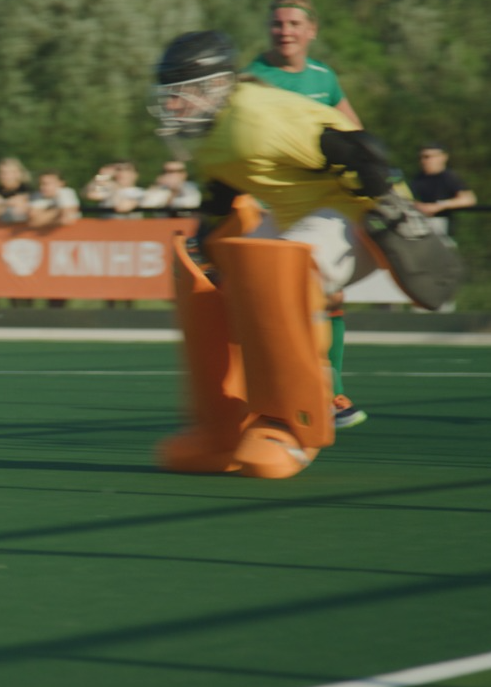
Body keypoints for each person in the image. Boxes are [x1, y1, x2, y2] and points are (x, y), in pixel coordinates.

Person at [150, 30, 449, 432]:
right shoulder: (214, 133)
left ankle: (305, 414)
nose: (170, 104)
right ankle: (228, 421)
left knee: (279, 280)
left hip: (356, 208)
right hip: (304, 212)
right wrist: (205, 247)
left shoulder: (256, 118)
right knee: (232, 286)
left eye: (180, 92)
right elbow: (224, 193)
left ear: (214, 86)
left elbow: (361, 150)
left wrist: (396, 214)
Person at [244, 0, 368, 427]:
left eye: (294, 24)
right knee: (266, 301)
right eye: (278, 23)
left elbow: (354, 130)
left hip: (321, 204)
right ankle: (270, 397)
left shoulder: (323, 77)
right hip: (275, 206)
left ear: (311, 30)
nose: (285, 31)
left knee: (328, 297)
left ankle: (328, 393)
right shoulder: (254, 78)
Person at [408, 143, 477, 235]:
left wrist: (438, 206)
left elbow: (469, 199)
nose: (424, 161)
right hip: (419, 226)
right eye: (421, 157)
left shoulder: (449, 177)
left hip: (442, 226)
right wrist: (418, 206)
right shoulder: (418, 178)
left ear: (443, 157)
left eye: (428, 157)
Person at [0, 157, 32, 223]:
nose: (3, 176)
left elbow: (20, 211)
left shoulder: (28, 190)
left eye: (7, 173)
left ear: (18, 173)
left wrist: (0, 203)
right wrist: (8, 203)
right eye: (0, 172)